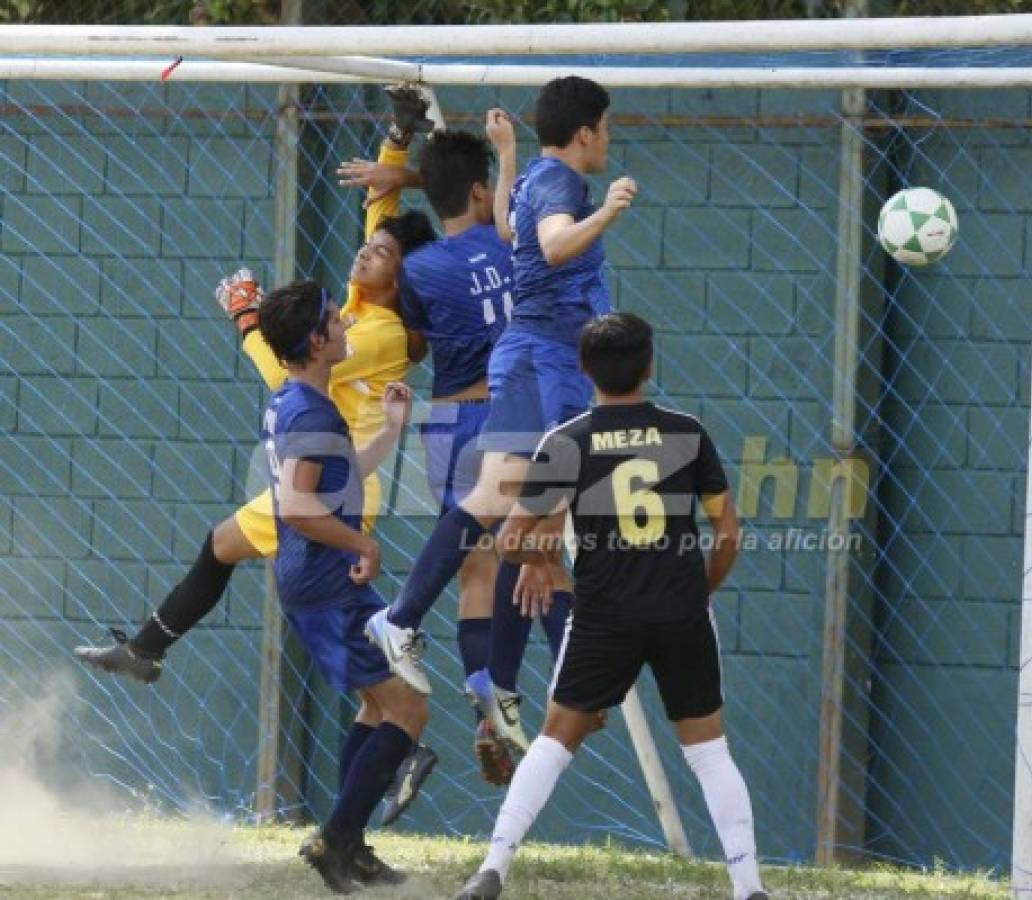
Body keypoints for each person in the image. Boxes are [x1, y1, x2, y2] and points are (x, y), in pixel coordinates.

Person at [74, 85, 439, 824]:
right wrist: (398, 140)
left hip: (331, 490)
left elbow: (287, 368)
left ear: (398, 280)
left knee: (363, 674)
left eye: (381, 254)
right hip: (329, 476)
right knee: (223, 548)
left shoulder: (375, 333)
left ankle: (393, 758)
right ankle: (148, 651)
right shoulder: (369, 301)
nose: (367, 248)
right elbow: (380, 213)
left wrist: (247, 317)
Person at [367, 76, 637, 759]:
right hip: (545, 360)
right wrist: (607, 212)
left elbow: (516, 228)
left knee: (514, 525)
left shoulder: (531, 188)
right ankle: (541, 679)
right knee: (542, 524)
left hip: (515, 370)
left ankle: (420, 634)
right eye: (604, 128)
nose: (608, 140)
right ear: (585, 134)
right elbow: (546, 246)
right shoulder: (569, 191)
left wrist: (506, 152)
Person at [454, 313, 767, 900]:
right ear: (650, 367)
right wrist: (701, 590)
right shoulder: (687, 432)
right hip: (681, 611)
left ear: (582, 369)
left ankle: (492, 869)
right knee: (708, 751)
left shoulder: (567, 441)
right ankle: (749, 887)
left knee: (553, 741)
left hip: (604, 616)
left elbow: (511, 541)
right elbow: (727, 531)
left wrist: (544, 560)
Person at [254, 278, 424, 893]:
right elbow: (299, 507)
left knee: (379, 705)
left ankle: (350, 844)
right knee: (407, 707)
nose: (347, 325)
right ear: (316, 340)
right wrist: (363, 543)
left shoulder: (295, 399)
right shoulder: (309, 409)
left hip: (324, 579)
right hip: (326, 581)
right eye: (335, 319)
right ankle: (336, 840)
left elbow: (336, 480)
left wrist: (392, 430)